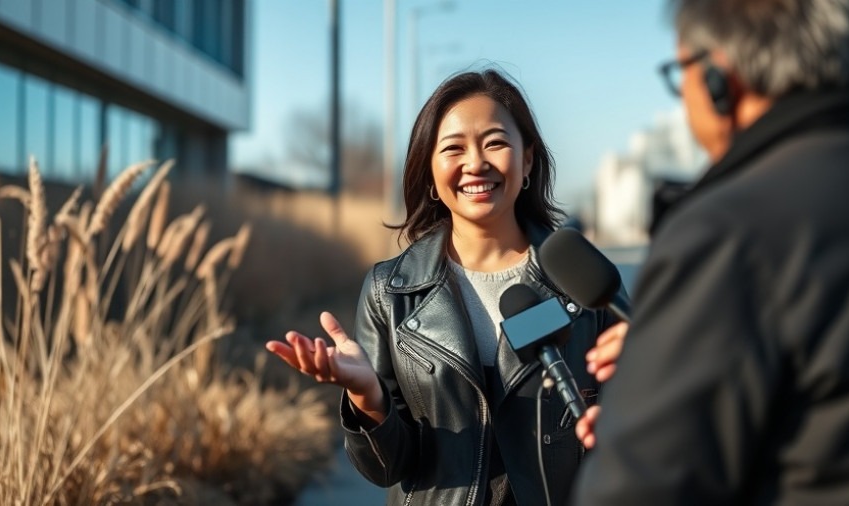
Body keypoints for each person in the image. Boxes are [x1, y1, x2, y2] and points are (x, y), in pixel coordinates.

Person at [267, 69, 617, 505]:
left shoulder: (580, 278)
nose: (476, 163)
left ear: (527, 159)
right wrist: (365, 394)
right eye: (453, 148)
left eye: (495, 142)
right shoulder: (390, 292)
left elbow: (642, 412)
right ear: (430, 173)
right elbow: (386, 468)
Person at [572, 0, 849, 504]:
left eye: (682, 73)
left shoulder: (730, 232)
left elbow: (641, 488)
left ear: (720, 79)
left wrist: (647, 392)